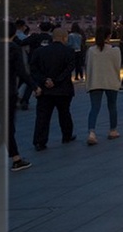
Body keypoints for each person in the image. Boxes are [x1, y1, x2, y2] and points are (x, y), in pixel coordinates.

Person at [29, 26, 77, 151]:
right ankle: (66, 135)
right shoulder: (69, 51)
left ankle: (40, 141)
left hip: (45, 90)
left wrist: (45, 80)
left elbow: (33, 70)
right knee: (64, 113)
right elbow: (68, 70)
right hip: (63, 89)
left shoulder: (39, 52)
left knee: (43, 116)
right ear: (64, 37)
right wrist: (56, 81)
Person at [84, 26, 122, 146]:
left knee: (94, 108)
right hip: (110, 81)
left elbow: (87, 66)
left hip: (95, 81)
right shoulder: (115, 50)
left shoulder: (91, 51)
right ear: (109, 36)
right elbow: (117, 66)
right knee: (112, 106)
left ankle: (91, 132)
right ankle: (113, 130)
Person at [6, 21, 36, 171]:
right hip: (8, 92)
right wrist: (34, 87)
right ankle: (16, 159)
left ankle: (15, 156)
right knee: (8, 126)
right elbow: (22, 72)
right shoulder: (14, 49)